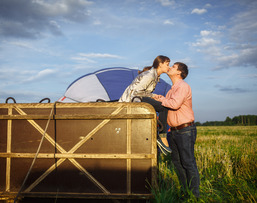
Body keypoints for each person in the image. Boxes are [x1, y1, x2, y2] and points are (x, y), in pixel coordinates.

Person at [153, 62, 200, 198]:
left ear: (179, 72)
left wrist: (162, 99)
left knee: (188, 162)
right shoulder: (172, 90)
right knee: (178, 163)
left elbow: (174, 104)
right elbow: (167, 104)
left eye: (173, 67)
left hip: (185, 130)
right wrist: (160, 98)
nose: (170, 68)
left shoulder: (183, 87)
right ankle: (186, 193)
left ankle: (195, 196)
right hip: (173, 131)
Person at [119, 55, 172, 155]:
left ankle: (156, 133)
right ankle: (162, 135)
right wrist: (153, 95)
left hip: (138, 99)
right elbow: (136, 92)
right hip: (132, 101)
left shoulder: (155, 76)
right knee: (164, 107)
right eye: (167, 64)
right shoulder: (149, 76)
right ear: (160, 64)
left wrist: (153, 96)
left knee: (160, 106)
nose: (169, 67)